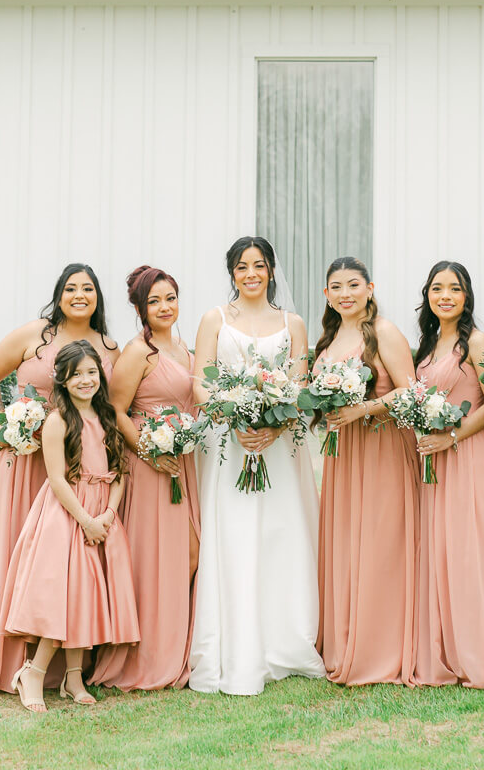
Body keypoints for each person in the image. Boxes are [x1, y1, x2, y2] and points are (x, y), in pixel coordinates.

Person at [0, 263, 119, 692]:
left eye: (88, 288)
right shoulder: (35, 334)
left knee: (59, 567)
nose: (80, 295)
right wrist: (4, 427)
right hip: (24, 463)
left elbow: (109, 405)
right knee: (14, 558)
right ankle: (5, 662)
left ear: (98, 297)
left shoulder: (107, 347)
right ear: (59, 294)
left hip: (76, 473)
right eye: (71, 288)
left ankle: (62, 671)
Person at [188, 237, 325, 695]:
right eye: (242, 266)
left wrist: (273, 426)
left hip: (279, 446)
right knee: (236, 534)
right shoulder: (214, 319)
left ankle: (284, 640)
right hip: (229, 445)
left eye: (259, 265)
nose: (251, 273)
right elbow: (200, 383)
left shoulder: (293, 323)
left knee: (280, 534)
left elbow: (301, 385)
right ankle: (234, 643)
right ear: (232, 272)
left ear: (270, 271)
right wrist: (235, 415)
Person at [0, 341, 139, 712]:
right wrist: (86, 520)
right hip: (68, 515)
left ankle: (73, 676)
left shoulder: (106, 415)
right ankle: (33, 672)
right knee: (63, 597)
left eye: (91, 372)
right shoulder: (58, 421)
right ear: (61, 378)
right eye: (76, 374)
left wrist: (108, 514)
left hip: (101, 514)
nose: (85, 379)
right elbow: (57, 479)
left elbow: (120, 471)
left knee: (87, 596)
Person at [412, 261, 484, 689]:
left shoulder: (477, 342)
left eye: (453, 289)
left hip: (470, 457)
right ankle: (446, 652)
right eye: (437, 288)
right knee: (443, 553)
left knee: (473, 554)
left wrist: (451, 436)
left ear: (466, 296)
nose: (444, 296)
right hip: (434, 461)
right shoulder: (429, 343)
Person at [92, 265, 200, 690]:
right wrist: (150, 452)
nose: (164, 307)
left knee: (189, 555)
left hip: (183, 461)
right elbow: (117, 411)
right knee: (160, 558)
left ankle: (178, 645)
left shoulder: (182, 346)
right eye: (154, 301)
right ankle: (149, 654)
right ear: (139, 308)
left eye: (169, 297)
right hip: (151, 462)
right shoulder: (140, 352)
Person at [316, 256, 420, 685]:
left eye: (353, 285)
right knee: (347, 542)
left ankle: (382, 647)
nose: (345, 294)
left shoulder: (384, 332)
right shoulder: (327, 339)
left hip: (380, 446)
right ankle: (345, 639)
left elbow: (410, 391)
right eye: (336, 287)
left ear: (370, 288)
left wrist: (365, 408)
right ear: (326, 294)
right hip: (343, 454)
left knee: (379, 543)